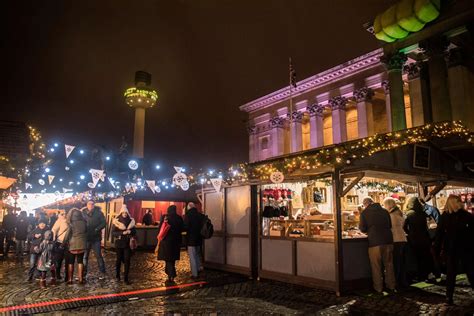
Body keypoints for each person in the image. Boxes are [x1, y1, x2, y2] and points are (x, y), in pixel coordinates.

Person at [434, 195, 474, 305]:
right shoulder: (466, 216)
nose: (460, 203)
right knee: (468, 272)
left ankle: (449, 297)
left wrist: (436, 250)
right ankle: (449, 297)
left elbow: (439, 235)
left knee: (453, 274)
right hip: (463, 248)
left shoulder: (446, 217)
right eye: (458, 201)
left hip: (455, 249)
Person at [359, 197, 396, 294]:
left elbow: (362, 229)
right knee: (389, 264)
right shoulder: (385, 211)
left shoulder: (365, 213)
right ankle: (391, 286)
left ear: (366, 204)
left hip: (375, 242)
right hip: (388, 241)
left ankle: (378, 288)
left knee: (376, 266)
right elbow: (390, 225)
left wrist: (369, 230)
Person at [404, 197, 432, 282]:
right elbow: (427, 225)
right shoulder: (423, 213)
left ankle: (419, 275)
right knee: (424, 257)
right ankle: (425, 275)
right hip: (424, 237)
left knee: (417, 257)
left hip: (414, 238)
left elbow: (404, 227)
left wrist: (409, 233)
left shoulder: (409, 214)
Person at [383, 197, 408, 288]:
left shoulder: (391, 215)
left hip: (395, 239)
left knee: (395, 262)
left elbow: (390, 228)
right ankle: (403, 280)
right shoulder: (399, 213)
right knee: (401, 261)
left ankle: (396, 281)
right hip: (403, 239)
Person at [157, 205, 183, 283]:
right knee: (172, 259)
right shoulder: (179, 218)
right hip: (176, 241)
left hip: (166, 241)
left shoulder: (165, 217)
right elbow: (182, 228)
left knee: (168, 259)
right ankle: (170, 274)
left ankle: (171, 274)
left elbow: (160, 228)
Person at [82, 200, 106, 279]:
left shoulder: (99, 213)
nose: (91, 205)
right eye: (89, 204)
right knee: (85, 257)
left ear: (94, 205)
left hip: (96, 238)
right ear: (87, 205)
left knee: (99, 256)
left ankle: (102, 273)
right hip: (86, 238)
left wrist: (97, 229)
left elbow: (104, 223)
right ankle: (83, 274)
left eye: (92, 204)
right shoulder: (83, 213)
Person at [112, 205, 136, 284]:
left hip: (127, 243)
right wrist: (122, 232)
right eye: (123, 213)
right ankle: (117, 275)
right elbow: (113, 233)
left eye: (126, 213)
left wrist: (130, 232)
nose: (125, 214)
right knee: (119, 260)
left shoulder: (131, 221)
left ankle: (126, 278)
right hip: (119, 243)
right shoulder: (116, 221)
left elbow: (134, 231)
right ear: (121, 213)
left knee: (127, 260)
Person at [65, 207, 87, 284]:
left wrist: (63, 244)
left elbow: (67, 235)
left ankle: (70, 279)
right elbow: (86, 232)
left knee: (71, 262)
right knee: (80, 261)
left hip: (72, 245)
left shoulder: (71, 223)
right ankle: (80, 278)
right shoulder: (84, 222)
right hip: (82, 244)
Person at [184, 202, 205, 278]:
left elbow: (185, 227)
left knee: (192, 256)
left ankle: (194, 274)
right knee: (197, 254)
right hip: (199, 239)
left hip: (191, 239)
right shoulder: (199, 215)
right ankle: (199, 268)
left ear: (189, 207)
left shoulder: (188, 215)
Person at [51, 210, 70, 280]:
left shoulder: (70, 220)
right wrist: (54, 239)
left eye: (65, 213)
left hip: (68, 243)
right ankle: (58, 274)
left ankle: (67, 276)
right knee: (59, 260)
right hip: (60, 242)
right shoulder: (59, 221)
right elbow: (54, 230)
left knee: (68, 261)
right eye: (62, 214)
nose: (64, 215)